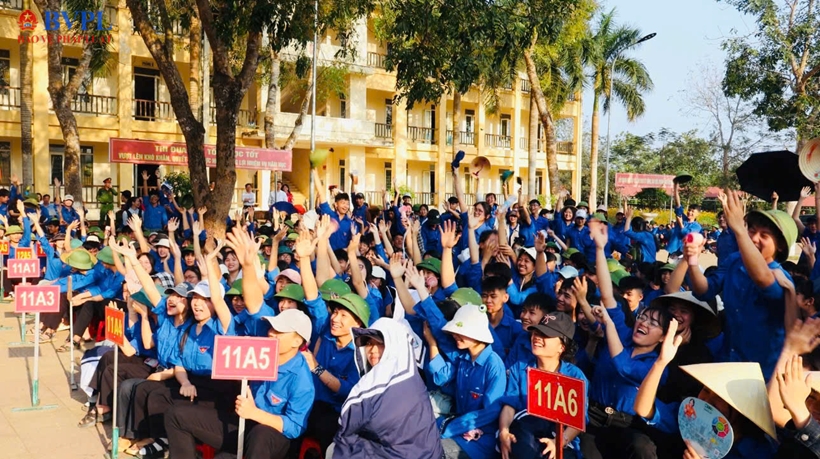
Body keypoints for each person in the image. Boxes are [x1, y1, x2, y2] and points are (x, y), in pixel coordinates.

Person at [164, 309, 315, 459]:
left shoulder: (302, 380)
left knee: (260, 434)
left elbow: (295, 427)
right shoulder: (258, 352)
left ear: (297, 341)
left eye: (279, 331)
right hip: (244, 422)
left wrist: (255, 413)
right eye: (272, 328)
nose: (271, 333)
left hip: (273, 437)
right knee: (176, 415)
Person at [329, 318, 443, 459]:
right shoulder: (412, 377)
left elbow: (346, 428)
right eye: (369, 343)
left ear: (394, 346)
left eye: (380, 344)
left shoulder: (375, 389)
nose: (373, 350)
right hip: (430, 453)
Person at [498, 312, 588, 459]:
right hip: (524, 434)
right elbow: (509, 406)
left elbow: (579, 419)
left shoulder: (575, 376)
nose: (537, 337)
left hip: (561, 439)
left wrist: (559, 442)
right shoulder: (519, 368)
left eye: (546, 335)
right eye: (536, 332)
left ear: (562, 346)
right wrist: (504, 431)